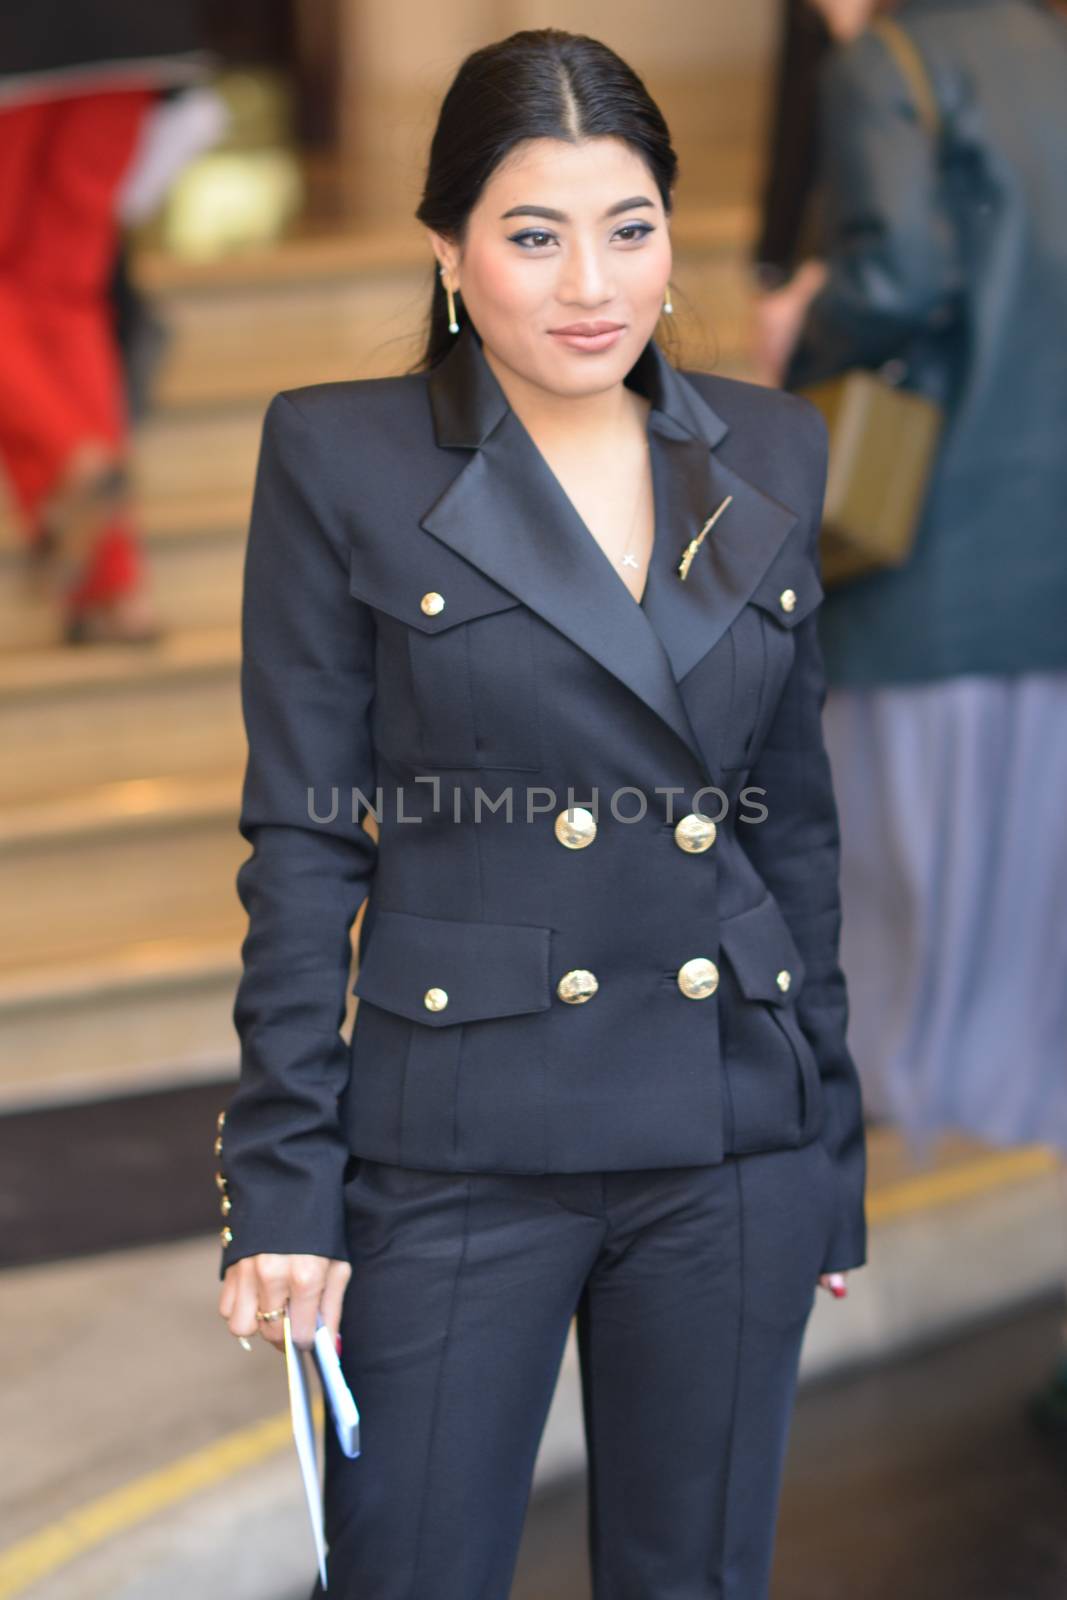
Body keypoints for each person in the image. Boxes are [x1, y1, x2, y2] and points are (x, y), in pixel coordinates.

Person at [216, 27, 868, 1598]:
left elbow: (789, 826)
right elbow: (305, 843)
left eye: (627, 227)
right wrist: (283, 1190)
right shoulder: (340, 456)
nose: (590, 282)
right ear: (447, 252)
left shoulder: (767, 447)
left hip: (726, 1133)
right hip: (456, 1146)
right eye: (531, 234)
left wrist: (826, 1147)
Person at [756, 0, 1067, 1439]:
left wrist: (793, 318)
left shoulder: (884, 63)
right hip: (1048, 571)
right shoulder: (1044, 47)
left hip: (931, 567)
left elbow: (895, 274)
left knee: (872, 920)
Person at [0, 3, 209, 646]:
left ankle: (71, 453)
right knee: (67, 294)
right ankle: (114, 592)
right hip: (133, 35)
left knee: (52, 291)